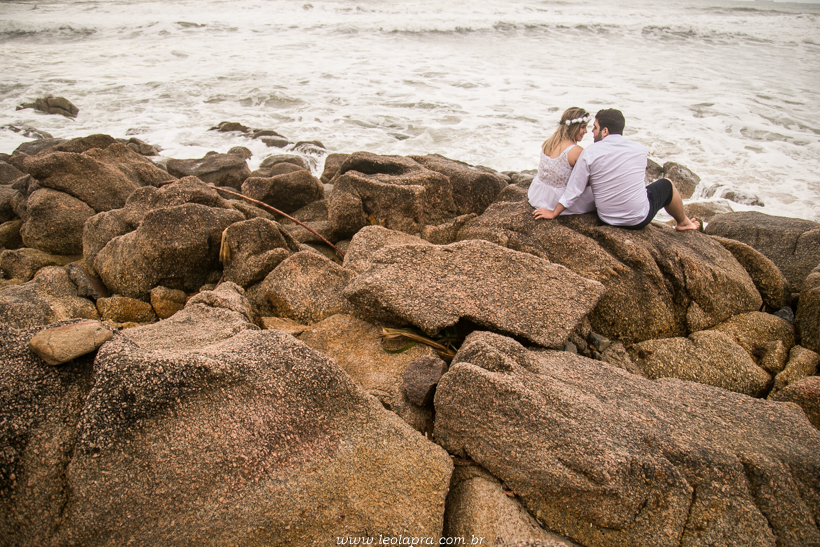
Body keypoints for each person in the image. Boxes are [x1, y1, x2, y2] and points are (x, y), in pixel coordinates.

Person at [534, 108, 700, 231]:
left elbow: (574, 189)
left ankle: (684, 223)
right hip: (637, 220)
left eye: (595, 127)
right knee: (667, 184)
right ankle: (684, 223)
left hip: (606, 217)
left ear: (605, 131)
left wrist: (554, 212)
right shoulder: (640, 149)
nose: (592, 131)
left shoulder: (590, 153)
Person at [529, 107, 596, 218]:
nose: (585, 131)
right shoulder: (576, 151)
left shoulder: (548, 142)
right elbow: (583, 183)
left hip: (537, 195)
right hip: (556, 202)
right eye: (583, 127)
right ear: (573, 127)